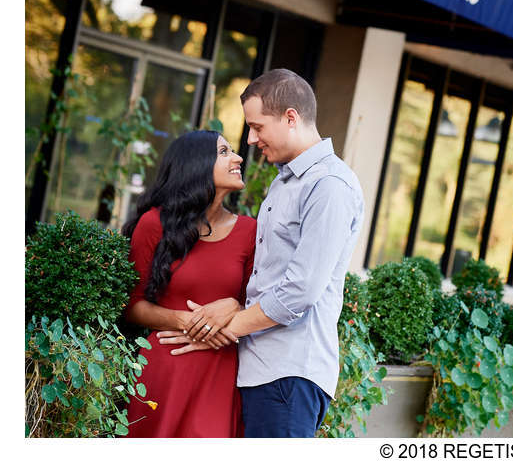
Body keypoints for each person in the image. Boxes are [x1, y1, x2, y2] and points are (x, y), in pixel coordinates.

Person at [158, 68, 365, 438]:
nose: (251, 139)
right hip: (263, 370)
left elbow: (299, 291)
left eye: (258, 127)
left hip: (289, 374)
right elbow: (267, 281)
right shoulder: (287, 182)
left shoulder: (328, 185)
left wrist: (218, 330)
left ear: (290, 118)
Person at [122, 130, 256, 437]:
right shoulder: (154, 223)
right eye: (224, 152)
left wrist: (232, 305)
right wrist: (188, 321)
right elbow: (133, 305)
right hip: (164, 368)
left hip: (220, 373)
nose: (237, 158)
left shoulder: (251, 231)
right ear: (195, 164)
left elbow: (260, 304)